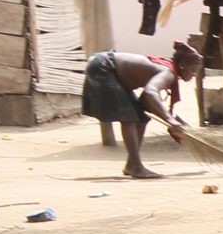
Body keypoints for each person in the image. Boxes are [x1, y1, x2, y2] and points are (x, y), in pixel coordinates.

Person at [79, 41, 201, 179]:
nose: (194, 75)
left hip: (103, 64)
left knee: (141, 116)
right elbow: (150, 92)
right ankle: (136, 167)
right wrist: (170, 120)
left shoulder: (169, 69)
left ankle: (131, 165)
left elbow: (146, 103)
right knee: (129, 117)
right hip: (104, 66)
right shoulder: (168, 72)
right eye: (193, 70)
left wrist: (173, 122)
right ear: (183, 65)